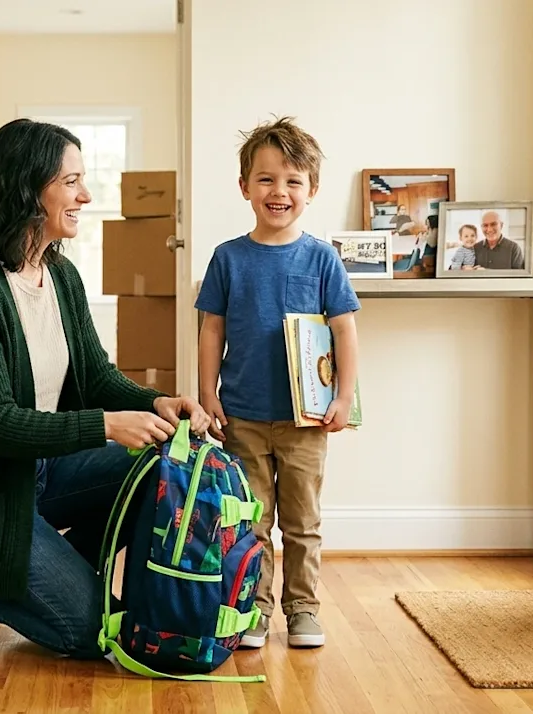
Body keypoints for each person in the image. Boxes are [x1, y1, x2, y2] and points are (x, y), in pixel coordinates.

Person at [0, 118, 211, 658]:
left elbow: (95, 377)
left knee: (161, 467)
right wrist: (109, 425)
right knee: (89, 632)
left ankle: (44, 569)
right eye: (71, 181)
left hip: (43, 469)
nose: (86, 194)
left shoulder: (61, 276)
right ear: (27, 187)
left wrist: (154, 402)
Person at [195, 116, 361, 649]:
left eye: (292, 181)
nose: (279, 192)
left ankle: (304, 609)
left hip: (305, 421)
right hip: (242, 416)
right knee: (249, 522)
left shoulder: (321, 258)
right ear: (244, 187)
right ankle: (254, 612)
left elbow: (344, 330)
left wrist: (343, 396)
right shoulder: (228, 257)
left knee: (303, 521)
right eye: (266, 179)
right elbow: (211, 329)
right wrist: (207, 394)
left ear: (311, 190)